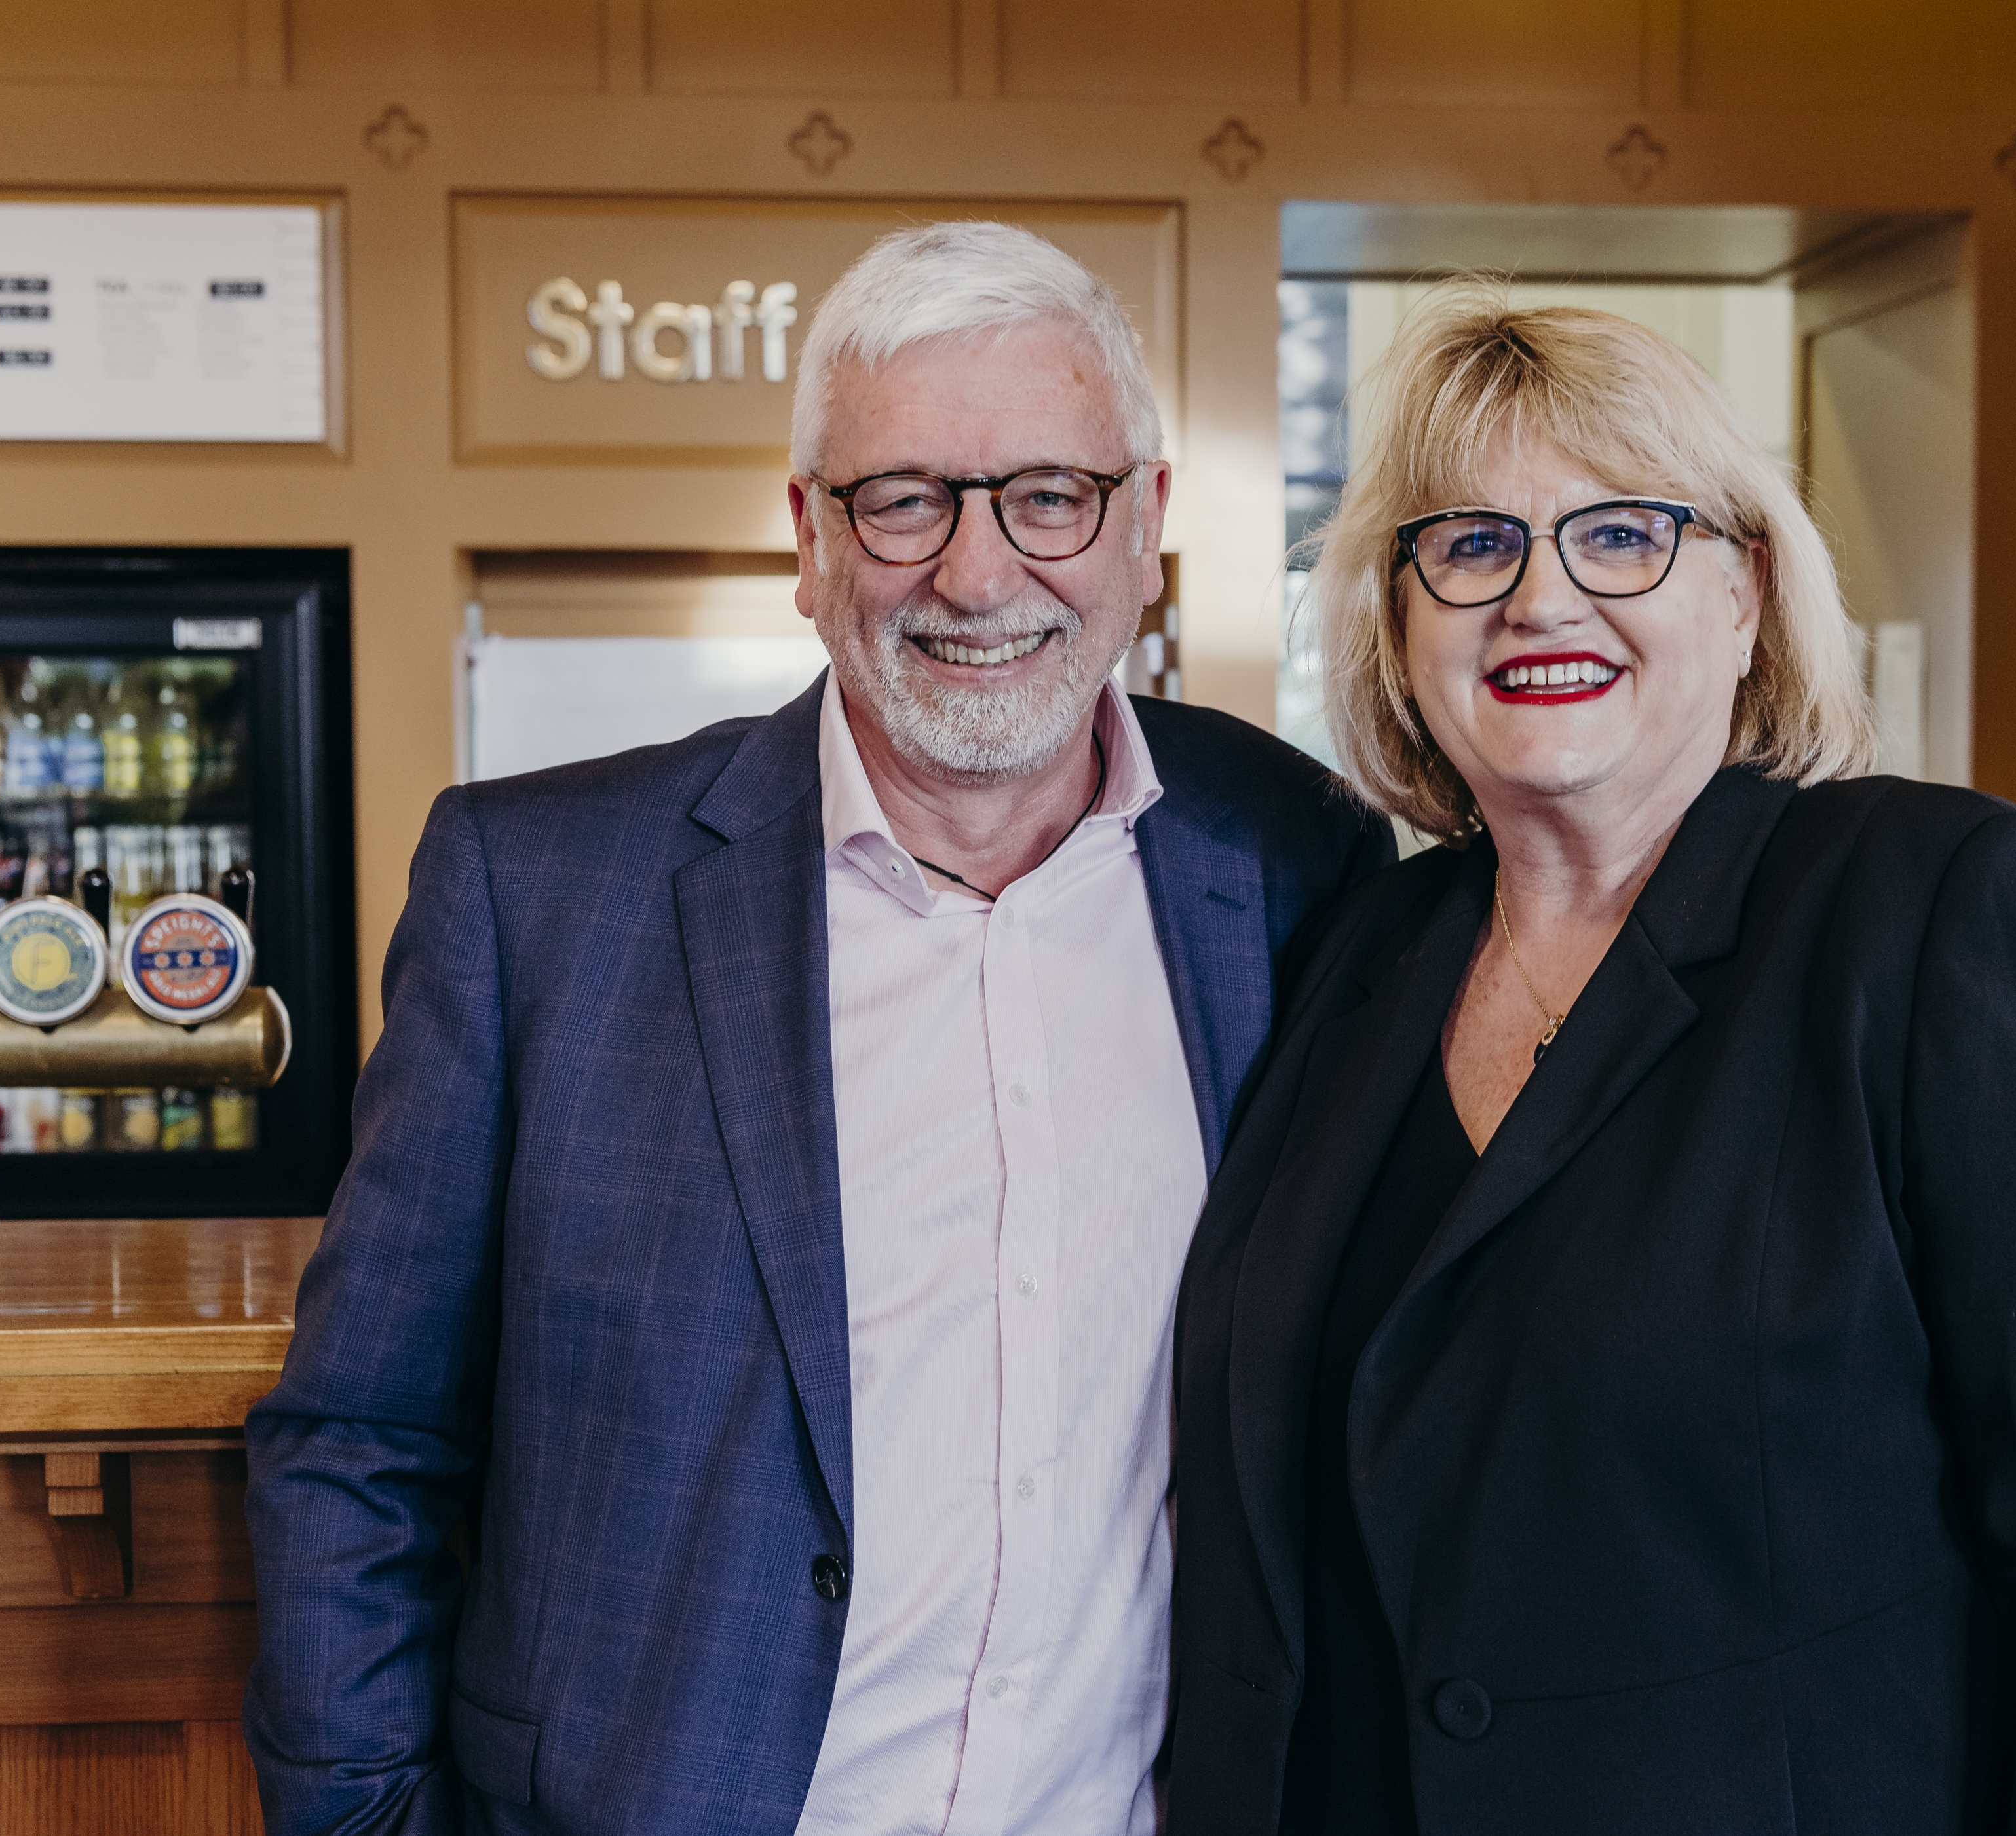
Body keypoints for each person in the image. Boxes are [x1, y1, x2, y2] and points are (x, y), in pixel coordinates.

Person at [242, 222, 1390, 1835]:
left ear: (1144, 524)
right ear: (808, 534)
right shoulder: (539, 894)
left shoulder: (1292, 860)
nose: (976, 575)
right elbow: (362, 1438)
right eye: (903, 499)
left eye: (1049, 496)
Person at [1163, 293, 2016, 1836]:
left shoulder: (1936, 909)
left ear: (1745, 589)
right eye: (1474, 545)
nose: (1541, 599)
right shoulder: (1359, 950)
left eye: (1620, 535)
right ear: (1400, 618)